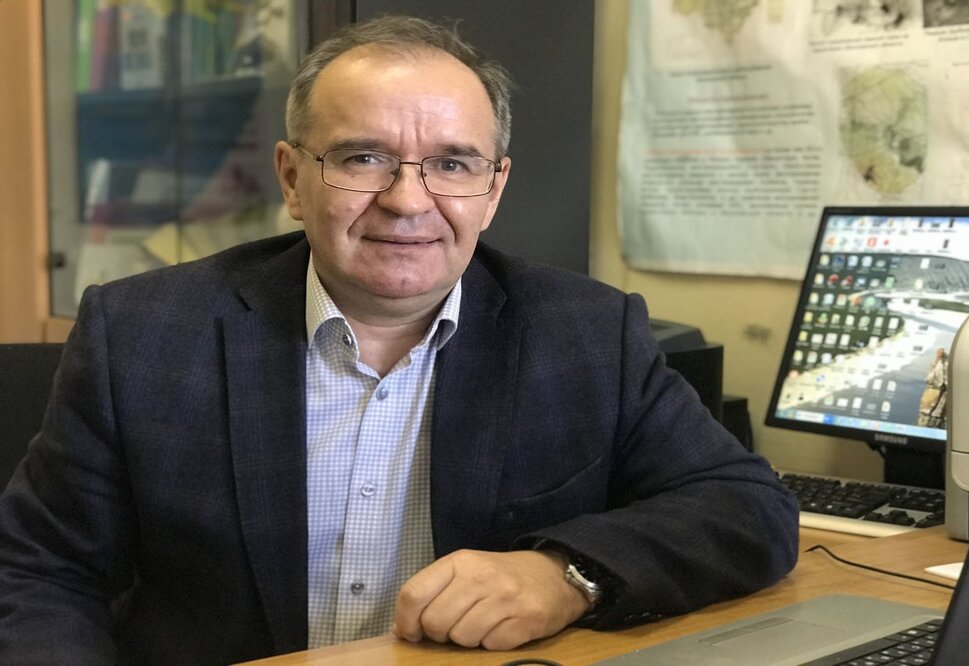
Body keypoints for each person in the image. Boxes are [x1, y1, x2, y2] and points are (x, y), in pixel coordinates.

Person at [0, 15, 798, 664]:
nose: (408, 200)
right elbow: (39, 571)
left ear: (493, 189)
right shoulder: (143, 335)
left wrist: (565, 574)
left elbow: (748, 508)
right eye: (364, 157)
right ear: (292, 177)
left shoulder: (586, 333)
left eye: (453, 164)